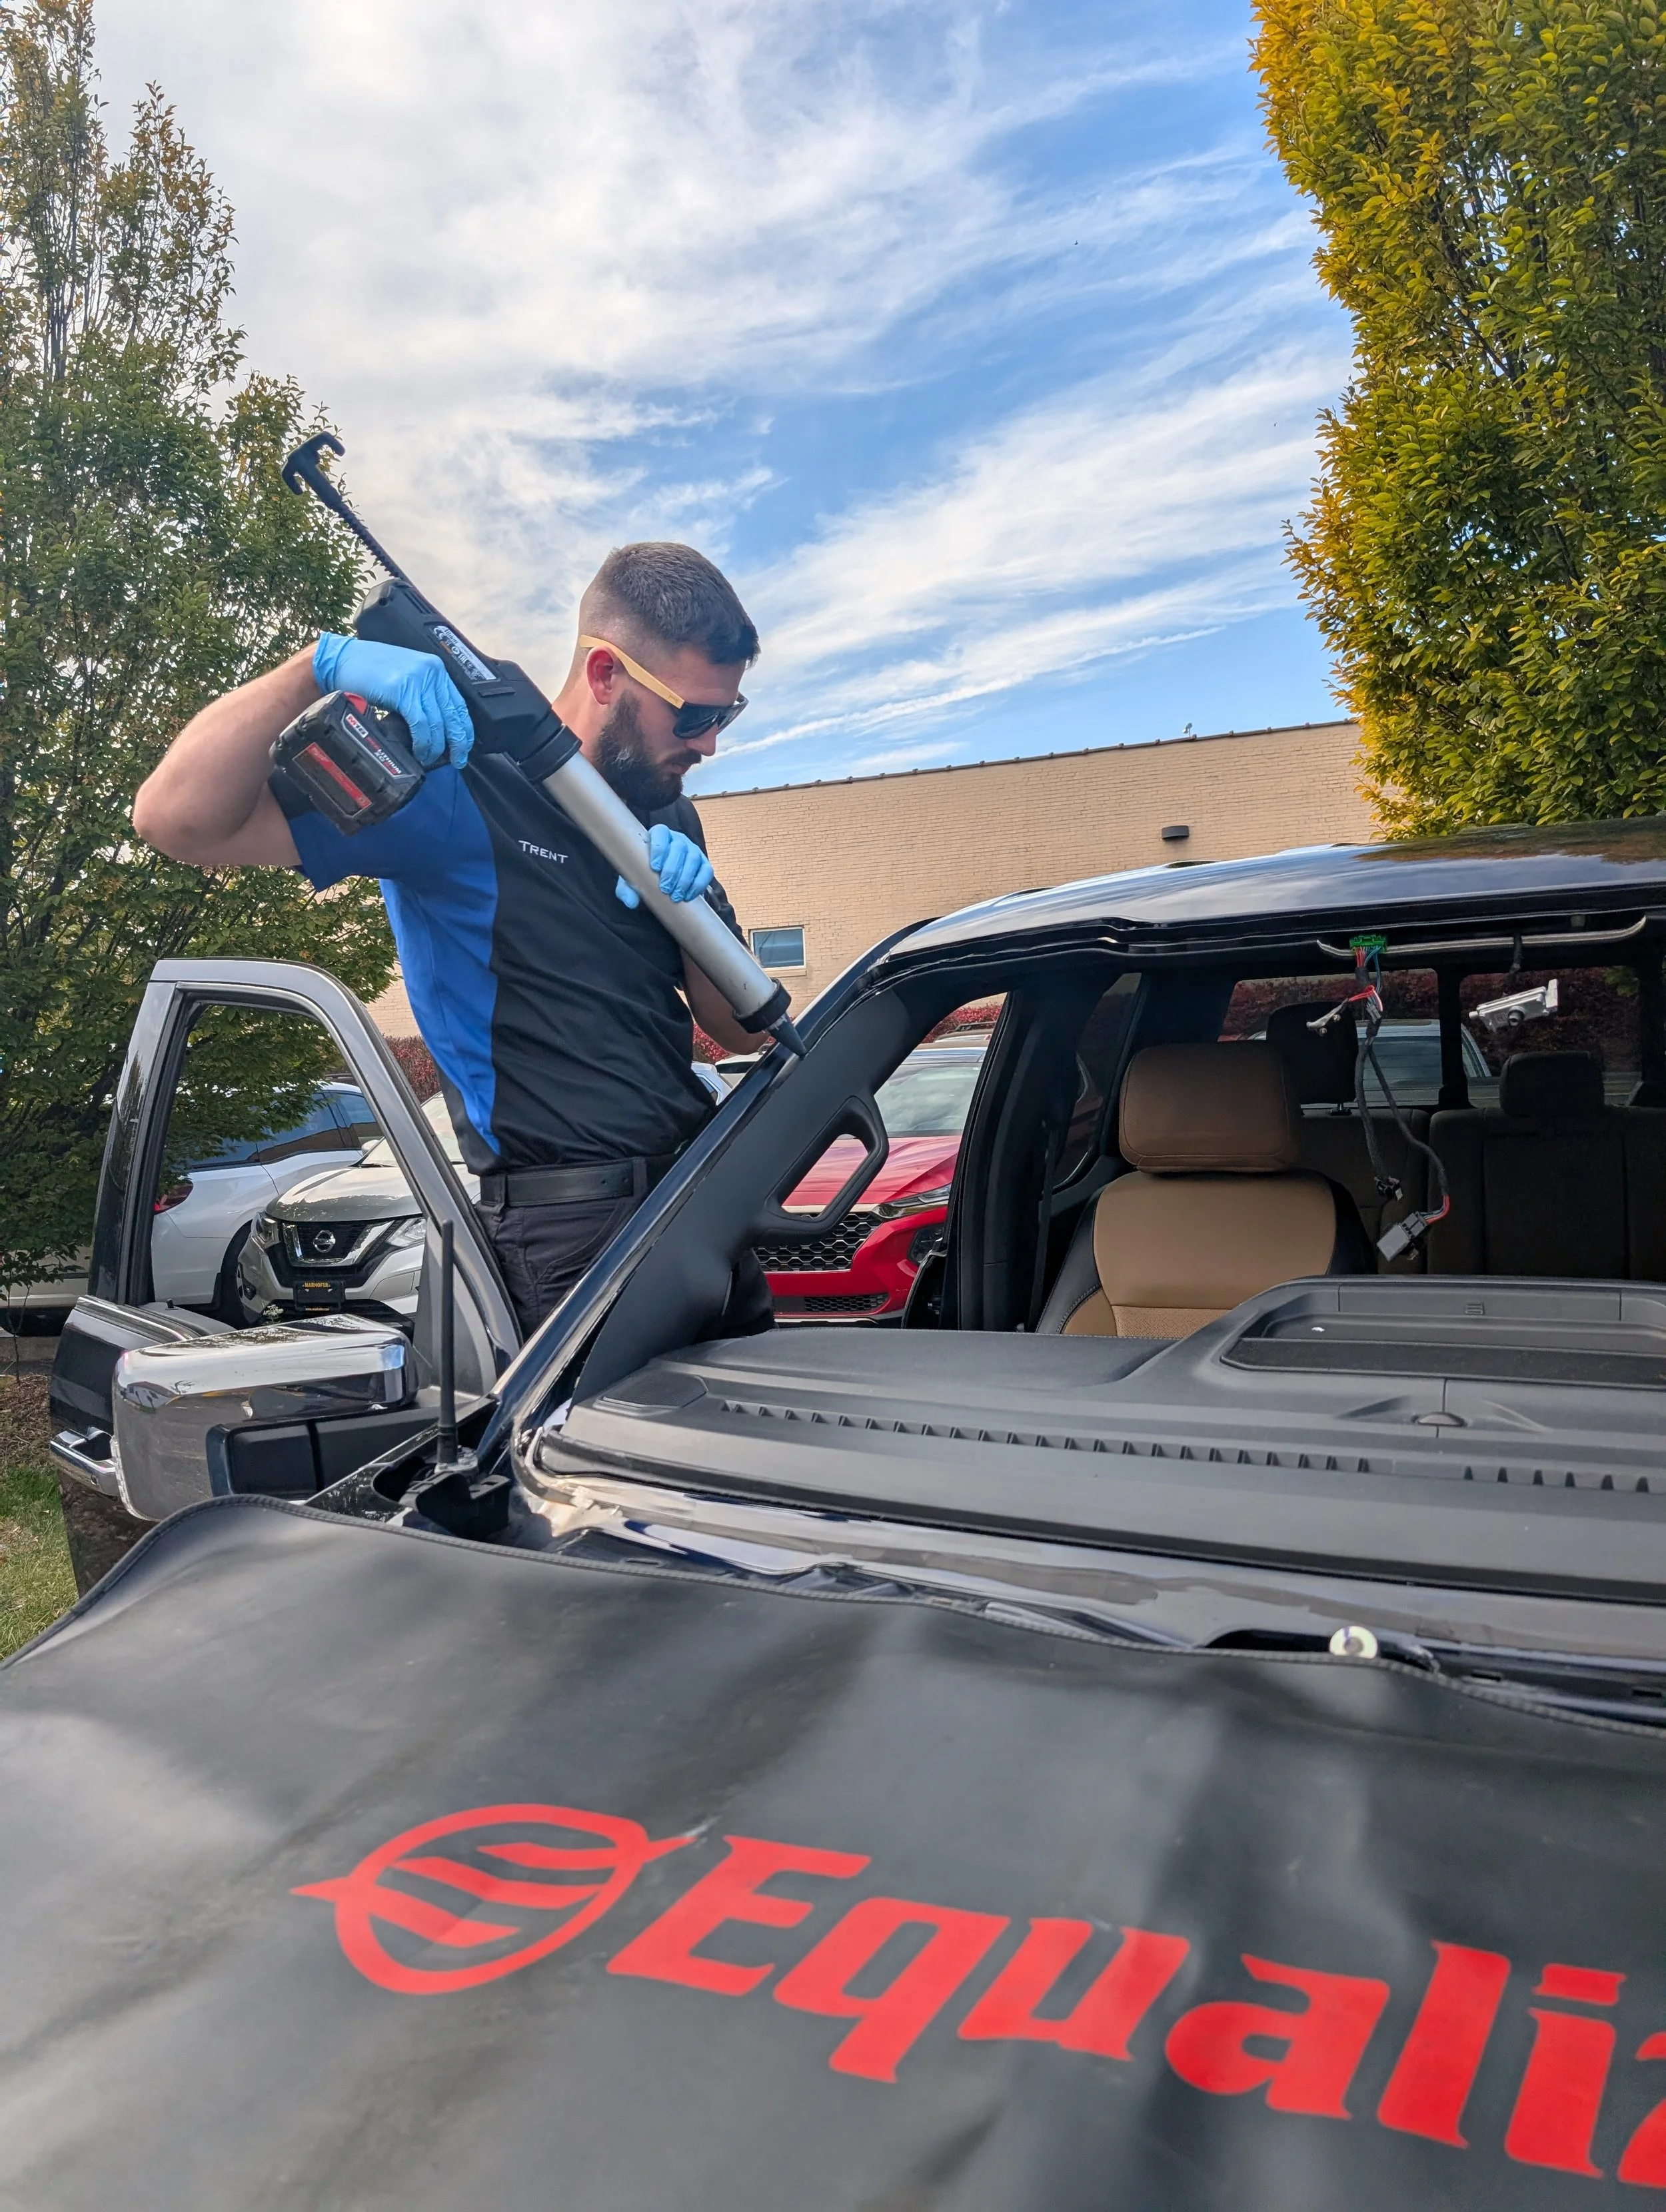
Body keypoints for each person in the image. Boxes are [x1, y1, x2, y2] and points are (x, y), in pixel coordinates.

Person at [133, 542, 774, 1337]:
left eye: (726, 715)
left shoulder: (668, 812)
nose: (709, 743)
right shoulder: (452, 782)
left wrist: (698, 903)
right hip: (575, 1234)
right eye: (696, 714)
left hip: (704, 1203)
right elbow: (175, 820)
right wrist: (319, 665)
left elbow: (741, 1024)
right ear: (607, 674)